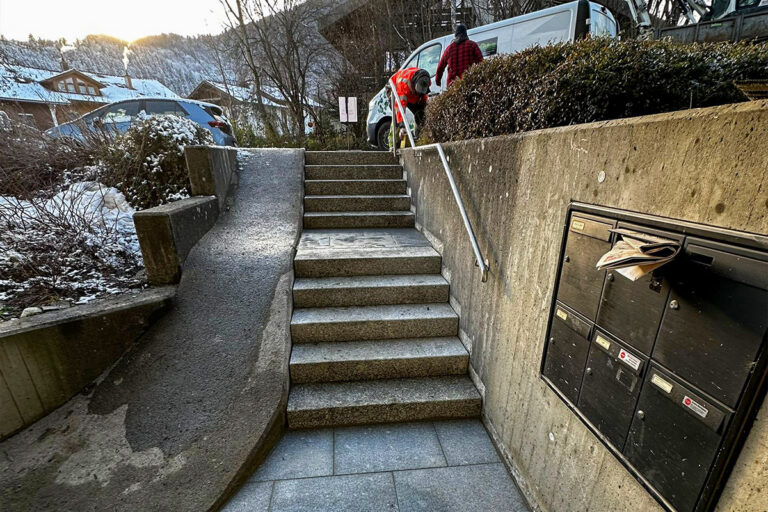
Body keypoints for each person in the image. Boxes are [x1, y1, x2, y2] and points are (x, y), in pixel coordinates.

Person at [388, 67, 431, 143]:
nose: (419, 93)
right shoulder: (403, 85)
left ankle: (418, 139)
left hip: (411, 93)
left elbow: (423, 99)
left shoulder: (425, 82)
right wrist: (402, 126)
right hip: (394, 89)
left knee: (421, 114)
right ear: (414, 84)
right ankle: (394, 143)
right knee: (396, 119)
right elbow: (399, 107)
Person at [435, 23, 483, 88]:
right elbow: (481, 62)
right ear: (465, 34)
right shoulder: (472, 45)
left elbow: (440, 67)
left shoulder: (449, 49)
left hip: (452, 86)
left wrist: (438, 81)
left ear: (456, 35)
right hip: (468, 83)